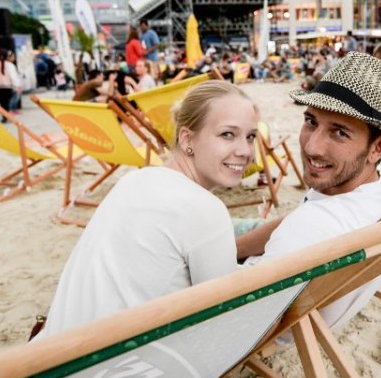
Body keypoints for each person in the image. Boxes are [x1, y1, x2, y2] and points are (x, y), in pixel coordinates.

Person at [40, 82, 258, 334]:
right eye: (227, 134)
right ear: (187, 138)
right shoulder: (205, 209)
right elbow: (225, 318)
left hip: (52, 355)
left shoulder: (133, 180)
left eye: (250, 136)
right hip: (122, 367)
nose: (245, 151)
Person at [235, 52, 381, 334]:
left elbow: (241, 319)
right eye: (311, 121)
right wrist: (237, 248)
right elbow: (297, 220)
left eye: (340, 133)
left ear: (378, 147)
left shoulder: (314, 226)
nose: (312, 147)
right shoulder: (378, 186)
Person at [0, 48, 22, 115]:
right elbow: (13, 77)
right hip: (9, 86)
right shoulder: (10, 65)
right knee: (11, 100)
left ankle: (5, 113)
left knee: (3, 101)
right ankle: (10, 111)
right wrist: (17, 86)